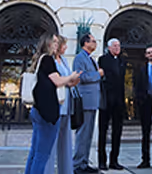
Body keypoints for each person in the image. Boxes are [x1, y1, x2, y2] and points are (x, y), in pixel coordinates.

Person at [26, 33, 81, 174]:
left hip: (38, 110)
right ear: (48, 43)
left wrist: (70, 81)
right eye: (55, 42)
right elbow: (57, 81)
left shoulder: (40, 59)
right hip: (47, 111)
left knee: (35, 152)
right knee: (42, 155)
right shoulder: (48, 60)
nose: (57, 44)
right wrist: (71, 76)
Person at [72, 33, 103, 174]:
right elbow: (80, 76)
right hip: (85, 101)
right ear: (85, 43)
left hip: (92, 101)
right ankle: (77, 164)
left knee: (89, 134)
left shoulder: (91, 59)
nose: (95, 43)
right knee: (83, 134)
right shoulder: (80, 58)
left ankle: (84, 163)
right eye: (93, 41)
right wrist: (98, 75)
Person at [47, 35, 77, 174]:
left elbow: (67, 80)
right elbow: (58, 80)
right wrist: (69, 79)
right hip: (55, 102)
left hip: (67, 102)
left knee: (66, 141)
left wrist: (73, 81)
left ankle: (66, 171)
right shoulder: (50, 61)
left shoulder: (64, 60)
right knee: (51, 141)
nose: (66, 47)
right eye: (64, 45)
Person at [97, 38, 127, 171]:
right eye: (114, 46)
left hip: (119, 101)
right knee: (103, 131)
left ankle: (114, 160)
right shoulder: (103, 59)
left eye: (118, 45)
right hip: (106, 100)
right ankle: (102, 161)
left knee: (117, 131)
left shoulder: (122, 60)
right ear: (109, 47)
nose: (117, 48)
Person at [133, 45, 152, 169]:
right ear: (145, 55)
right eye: (148, 53)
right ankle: (145, 160)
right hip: (145, 104)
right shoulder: (141, 69)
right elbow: (137, 86)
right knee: (146, 132)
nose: (150, 54)